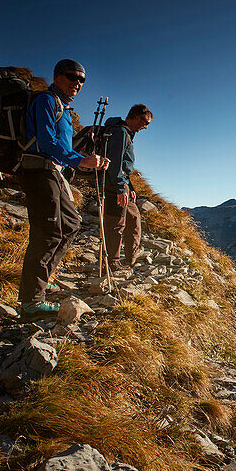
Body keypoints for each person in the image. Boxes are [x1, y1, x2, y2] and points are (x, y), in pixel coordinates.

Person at [17, 59, 107, 319]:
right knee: (48, 233)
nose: (77, 83)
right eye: (71, 76)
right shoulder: (46, 101)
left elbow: (60, 146)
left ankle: (41, 281)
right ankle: (30, 303)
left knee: (70, 225)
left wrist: (89, 160)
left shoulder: (63, 109)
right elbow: (46, 142)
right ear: (57, 76)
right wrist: (81, 160)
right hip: (38, 171)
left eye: (81, 79)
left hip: (52, 172)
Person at [101, 103, 153, 273]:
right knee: (116, 222)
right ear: (137, 117)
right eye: (145, 122)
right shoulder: (121, 133)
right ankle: (112, 262)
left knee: (133, 216)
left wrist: (128, 186)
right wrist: (120, 188)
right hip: (114, 183)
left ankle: (131, 256)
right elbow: (114, 162)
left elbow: (122, 164)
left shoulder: (124, 133)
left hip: (121, 182)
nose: (145, 127)